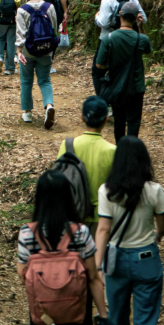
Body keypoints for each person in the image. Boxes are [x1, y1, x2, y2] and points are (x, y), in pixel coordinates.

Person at [95, 137, 164, 325]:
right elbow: (163, 226)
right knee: (145, 318)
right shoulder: (154, 190)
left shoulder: (107, 191)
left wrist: (97, 266)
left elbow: (103, 229)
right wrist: (157, 235)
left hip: (116, 258)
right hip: (146, 257)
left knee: (117, 315)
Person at [18, 170, 108, 325]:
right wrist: (103, 315)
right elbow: (93, 277)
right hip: (78, 312)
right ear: (67, 197)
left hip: (43, 314)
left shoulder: (27, 233)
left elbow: (22, 274)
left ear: (39, 198)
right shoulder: (80, 233)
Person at [95, 1, 152, 142]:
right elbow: (148, 50)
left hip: (116, 86)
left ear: (120, 14)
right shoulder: (141, 38)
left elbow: (99, 65)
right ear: (135, 18)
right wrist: (141, 27)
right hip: (136, 86)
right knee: (133, 120)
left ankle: (120, 149)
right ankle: (131, 150)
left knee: (119, 120)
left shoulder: (109, 38)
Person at [56, 96, 116, 229]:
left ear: (82, 118)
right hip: (102, 218)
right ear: (106, 119)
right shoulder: (113, 151)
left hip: (73, 215)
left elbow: (58, 180)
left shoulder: (68, 145)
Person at [93, 0, 147, 94]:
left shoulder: (107, 0)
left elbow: (104, 23)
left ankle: (104, 101)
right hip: (129, 40)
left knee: (97, 72)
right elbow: (144, 18)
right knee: (122, 69)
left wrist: (96, 17)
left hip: (108, 39)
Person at [16, 0, 57, 128]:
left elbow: (20, 34)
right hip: (46, 48)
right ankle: (49, 105)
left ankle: (27, 113)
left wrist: (18, 51)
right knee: (45, 80)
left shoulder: (22, 10)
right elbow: (53, 27)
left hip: (28, 49)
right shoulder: (49, 7)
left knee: (26, 80)